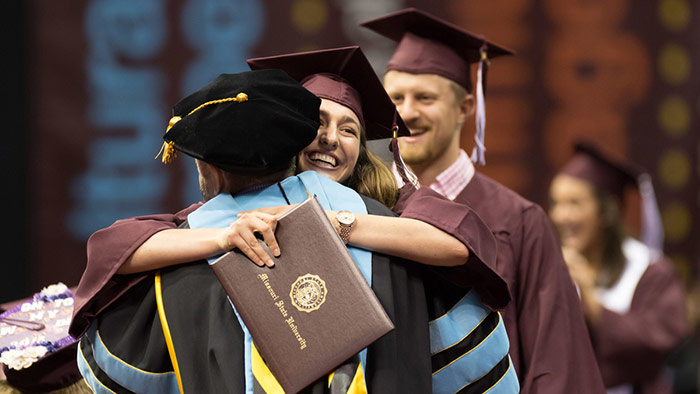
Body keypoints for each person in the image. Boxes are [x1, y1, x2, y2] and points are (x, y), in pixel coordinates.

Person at [72, 47, 518, 393]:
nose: (329, 139)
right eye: (318, 123)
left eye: (349, 129)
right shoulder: (221, 221)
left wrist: (330, 222)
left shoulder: (396, 214)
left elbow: (459, 241)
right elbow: (122, 246)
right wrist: (225, 235)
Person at [360, 8, 606, 393]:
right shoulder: (364, 205)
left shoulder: (519, 220)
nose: (406, 113)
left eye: (425, 98)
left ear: (465, 109)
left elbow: (557, 357)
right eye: (396, 98)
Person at [549, 141, 689, 394]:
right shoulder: (551, 266)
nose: (560, 215)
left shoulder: (649, 272)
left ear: (607, 210)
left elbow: (655, 347)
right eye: (556, 203)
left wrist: (592, 303)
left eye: (575, 203)